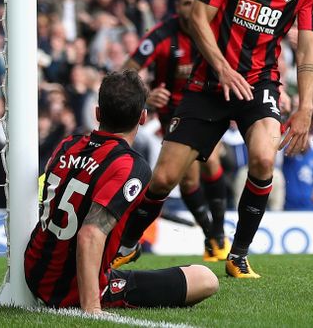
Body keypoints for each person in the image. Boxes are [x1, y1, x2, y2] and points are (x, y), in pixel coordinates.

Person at [113, 0, 313, 278]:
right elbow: (198, 19)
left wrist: (306, 105)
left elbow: (309, 50)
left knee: (263, 157)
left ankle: (237, 254)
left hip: (259, 85)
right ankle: (126, 246)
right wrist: (223, 68)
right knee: (163, 179)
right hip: (210, 82)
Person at [24, 70, 217, 313]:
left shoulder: (67, 144)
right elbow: (90, 234)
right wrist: (92, 309)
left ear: (97, 113)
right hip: (70, 287)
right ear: (143, 117)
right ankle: (97, 294)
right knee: (205, 279)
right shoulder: (131, 165)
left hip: (34, 272)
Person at [123, 0, 231, 262]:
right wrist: (147, 96)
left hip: (209, 106)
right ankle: (212, 235)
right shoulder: (161, 36)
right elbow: (127, 71)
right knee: (189, 177)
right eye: (185, 2)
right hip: (175, 115)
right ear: (177, 8)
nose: (191, 7)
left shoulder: (216, 28)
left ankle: (217, 233)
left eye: (195, 1)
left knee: (212, 163)